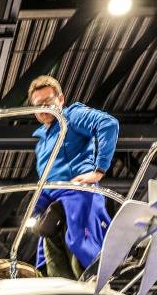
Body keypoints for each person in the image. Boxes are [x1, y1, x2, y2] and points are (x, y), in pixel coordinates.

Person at [25, 75, 120, 279]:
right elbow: (46, 182)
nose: (44, 108)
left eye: (48, 101)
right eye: (38, 105)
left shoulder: (71, 116)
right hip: (53, 210)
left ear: (60, 99)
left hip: (77, 198)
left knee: (81, 258)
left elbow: (108, 124)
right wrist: (34, 210)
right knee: (55, 270)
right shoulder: (42, 142)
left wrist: (99, 170)